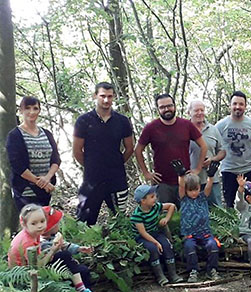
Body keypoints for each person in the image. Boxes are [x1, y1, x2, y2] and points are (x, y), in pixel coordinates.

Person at [8, 204, 103, 292]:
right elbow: (37, 266)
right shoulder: (28, 242)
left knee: (81, 269)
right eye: (34, 223)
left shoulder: (33, 233)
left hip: (35, 265)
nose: (40, 225)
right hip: (25, 276)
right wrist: (53, 250)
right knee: (66, 257)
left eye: (42, 221)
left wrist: (76, 249)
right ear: (24, 223)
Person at [73, 82, 134, 225]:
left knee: (119, 220)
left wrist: (116, 163)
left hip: (116, 178)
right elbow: (77, 151)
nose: (106, 100)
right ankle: (85, 247)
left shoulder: (122, 121)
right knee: (85, 221)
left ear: (114, 97)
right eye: (102, 96)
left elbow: (129, 148)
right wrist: (91, 165)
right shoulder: (83, 121)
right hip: (92, 179)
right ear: (95, 96)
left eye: (110, 96)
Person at [135, 94, 207, 207]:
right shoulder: (151, 127)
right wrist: (146, 173)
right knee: (165, 217)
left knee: (187, 214)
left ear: (174, 106)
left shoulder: (186, 125)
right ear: (158, 109)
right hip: (162, 182)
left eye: (169, 106)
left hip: (185, 181)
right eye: (162, 107)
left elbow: (203, 146)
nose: (167, 109)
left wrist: (197, 169)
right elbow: (138, 150)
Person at [6, 96, 60, 211]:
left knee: (44, 225)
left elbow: (56, 160)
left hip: (46, 189)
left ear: (39, 110)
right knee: (32, 225)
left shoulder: (47, 134)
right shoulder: (15, 136)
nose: (32, 112)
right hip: (25, 192)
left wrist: (47, 178)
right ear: (21, 111)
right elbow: (17, 165)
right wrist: (40, 182)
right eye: (27, 108)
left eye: (35, 108)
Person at [40, 206, 104, 292]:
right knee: (65, 255)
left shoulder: (55, 235)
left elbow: (65, 245)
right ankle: (80, 291)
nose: (59, 225)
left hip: (65, 264)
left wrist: (79, 249)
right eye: (57, 224)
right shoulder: (43, 243)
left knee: (84, 271)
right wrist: (54, 250)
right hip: (55, 268)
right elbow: (47, 259)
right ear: (50, 227)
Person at [174, 160, 221, 283]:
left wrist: (210, 177)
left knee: (213, 245)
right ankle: (193, 271)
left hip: (205, 232)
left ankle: (212, 270)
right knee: (189, 247)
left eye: (196, 189)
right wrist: (181, 176)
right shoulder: (184, 199)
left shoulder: (202, 197)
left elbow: (209, 187)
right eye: (191, 190)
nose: (194, 193)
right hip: (190, 234)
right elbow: (181, 186)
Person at [216, 91, 251, 208]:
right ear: (230, 105)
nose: (238, 107)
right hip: (229, 171)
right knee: (230, 205)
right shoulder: (220, 126)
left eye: (241, 104)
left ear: (245, 106)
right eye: (235, 103)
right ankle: (233, 227)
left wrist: (250, 159)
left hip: (248, 170)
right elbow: (215, 146)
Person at [130, 184, 181, 285]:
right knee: (153, 249)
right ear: (143, 201)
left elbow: (171, 206)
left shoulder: (156, 207)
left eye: (155, 196)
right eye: (152, 197)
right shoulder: (137, 215)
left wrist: (166, 218)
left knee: (166, 245)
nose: (155, 198)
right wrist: (156, 243)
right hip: (143, 238)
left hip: (155, 233)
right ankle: (160, 276)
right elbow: (143, 233)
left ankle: (173, 274)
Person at [188, 99, 226, 207]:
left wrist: (212, 160)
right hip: (191, 182)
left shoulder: (213, 129)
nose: (200, 113)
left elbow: (222, 151)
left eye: (202, 110)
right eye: (196, 110)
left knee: (217, 212)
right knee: (194, 212)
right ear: (189, 112)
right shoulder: (184, 130)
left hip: (212, 178)